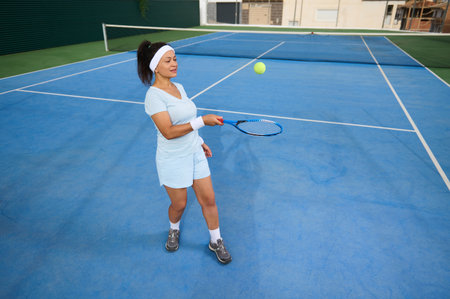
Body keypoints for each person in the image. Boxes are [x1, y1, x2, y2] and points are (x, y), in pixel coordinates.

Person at [137, 40, 232, 264]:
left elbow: (187, 120)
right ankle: (174, 228)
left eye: (175, 58)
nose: (174, 64)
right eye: (167, 60)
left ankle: (215, 240)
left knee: (209, 199)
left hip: (194, 152)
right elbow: (168, 131)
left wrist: (199, 140)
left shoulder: (178, 87)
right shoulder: (153, 96)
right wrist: (202, 122)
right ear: (155, 66)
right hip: (172, 158)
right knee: (179, 204)